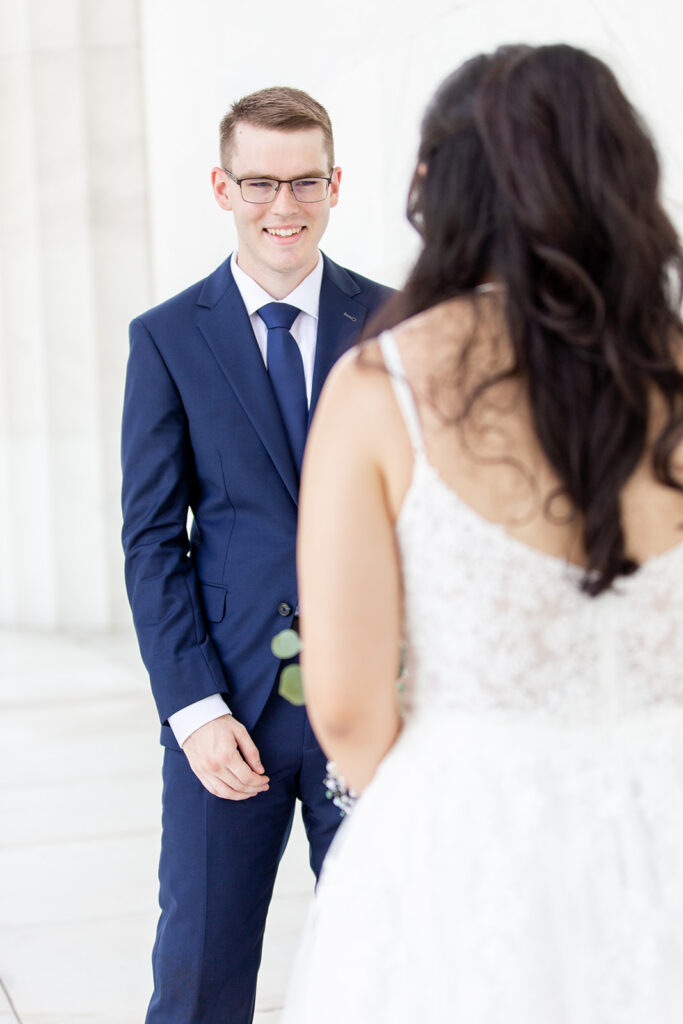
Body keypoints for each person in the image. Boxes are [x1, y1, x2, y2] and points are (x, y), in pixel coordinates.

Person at [282, 44, 683, 1022]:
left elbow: (342, 706)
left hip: (472, 840)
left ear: (437, 188)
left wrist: (448, 814)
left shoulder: (382, 387)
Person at [121, 86, 391, 1024]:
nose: (285, 206)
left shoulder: (399, 324)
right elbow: (152, 538)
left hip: (372, 706)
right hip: (225, 706)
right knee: (199, 969)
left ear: (335, 183)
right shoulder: (163, 338)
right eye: (261, 183)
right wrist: (190, 709)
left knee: (386, 964)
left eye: (305, 180)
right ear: (222, 186)